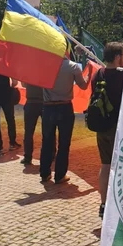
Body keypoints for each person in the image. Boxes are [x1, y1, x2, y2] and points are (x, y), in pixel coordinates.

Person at [40, 56, 89, 184]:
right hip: (65, 107)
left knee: (47, 141)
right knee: (64, 143)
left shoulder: (44, 65)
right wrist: (88, 76)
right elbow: (83, 86)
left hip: (48, 107)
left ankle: (45, 173)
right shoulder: (73, 66)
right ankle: (60, 175)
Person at [96, 43, 123, 218]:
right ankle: (119, 206)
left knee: (105, 165)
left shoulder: (98, 73)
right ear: (117, 57)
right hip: (118, 127)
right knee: (121, 167)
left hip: (101, 126)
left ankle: (103, 204)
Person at [20, 82, 43, 165]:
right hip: (44, 102)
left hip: (30, 102)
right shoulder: (47, 69)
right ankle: (50, 154)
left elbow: (23, 84)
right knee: (48, 131)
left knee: (28, 132)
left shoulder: (29, 69)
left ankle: (27, 156)